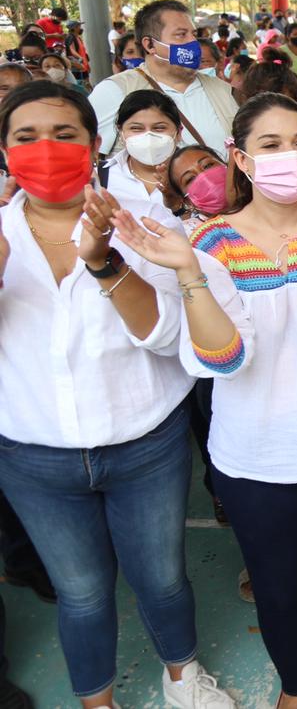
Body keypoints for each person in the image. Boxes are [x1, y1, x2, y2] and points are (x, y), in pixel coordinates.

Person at [113, 92, 297, 709]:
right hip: (254, 456)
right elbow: (225, 357)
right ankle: (295, 687)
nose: (290, 157)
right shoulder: (207, 243)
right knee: (280, 588)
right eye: (270, 145)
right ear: (241, 159)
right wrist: (189, 274)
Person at [0, 81, 234, 709]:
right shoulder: (2, 235)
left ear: (93, 143)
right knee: (80, 593)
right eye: (26, 137)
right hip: (34, 456)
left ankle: (182, 675)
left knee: (162, 579)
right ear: (6, 151)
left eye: (64, 135)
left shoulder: (143, 221)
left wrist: (106, 262)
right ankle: (96, 701)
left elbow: (170, 338)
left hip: (143, 444)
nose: (46, 149)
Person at [89, 0, 238, 158]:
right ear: (150, 45)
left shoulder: (223, 90)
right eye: (181, 34)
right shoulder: (116, 90)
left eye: (194, 34)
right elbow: (92, 157)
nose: (193, 42)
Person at [100, 90, 184, 203]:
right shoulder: (99, 176)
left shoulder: (199, 174)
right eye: (136, 128)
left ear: (178, 132)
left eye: (159, 128)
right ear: (121, 132)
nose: (148, 137)